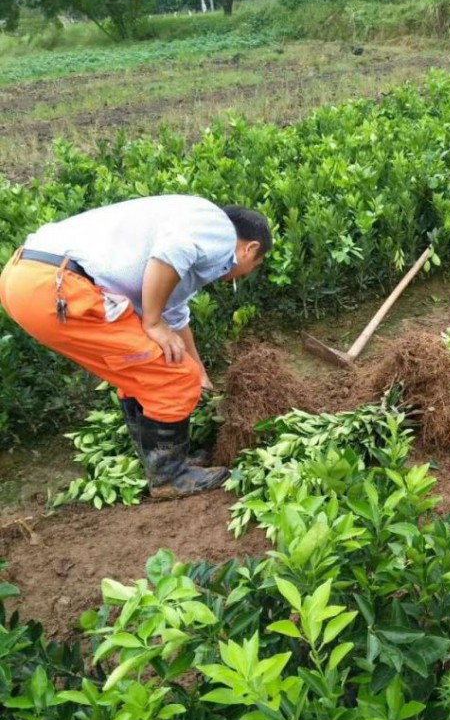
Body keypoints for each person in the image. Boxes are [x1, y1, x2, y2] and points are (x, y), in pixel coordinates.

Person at [0, 195, 272, 498]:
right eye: (253, 267)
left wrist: (200, 373)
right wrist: (153, 324)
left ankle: (162, 459)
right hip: (59, 285)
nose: (240, 276)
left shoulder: (189, 237)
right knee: (172, 377)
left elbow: (175, 315)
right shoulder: (219, 230)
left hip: (26, 280)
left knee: (143, 374)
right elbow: (171, 255)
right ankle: (169, 475)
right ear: (250, 249)